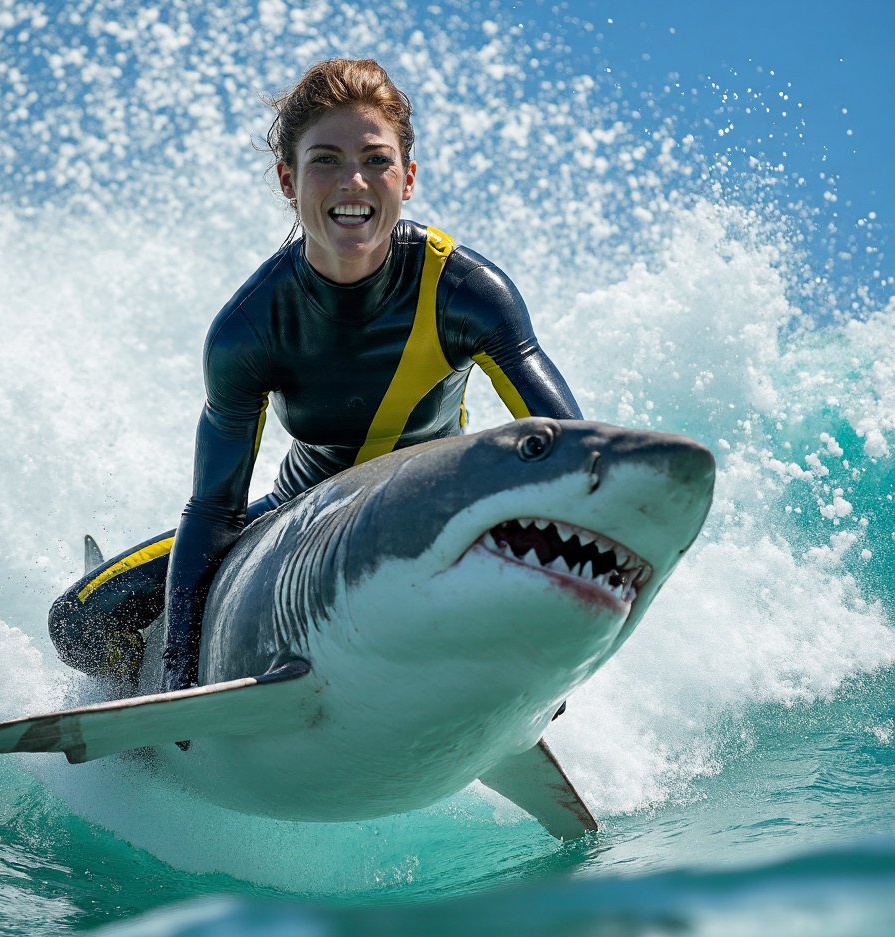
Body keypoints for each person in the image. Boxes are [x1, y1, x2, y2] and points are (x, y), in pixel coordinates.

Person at [48, 58, 583, 694]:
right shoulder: (251, 327)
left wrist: (551, 661)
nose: (353, 180)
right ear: (288, 178)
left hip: (429, 514)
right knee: (77, 623)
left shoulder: (465, 293)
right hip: (296, 519)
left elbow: (569, 457)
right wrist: (179, 678)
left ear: (407, 178)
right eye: (325, 159)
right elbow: (215, 508)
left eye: (377, 159)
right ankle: (135, 701)